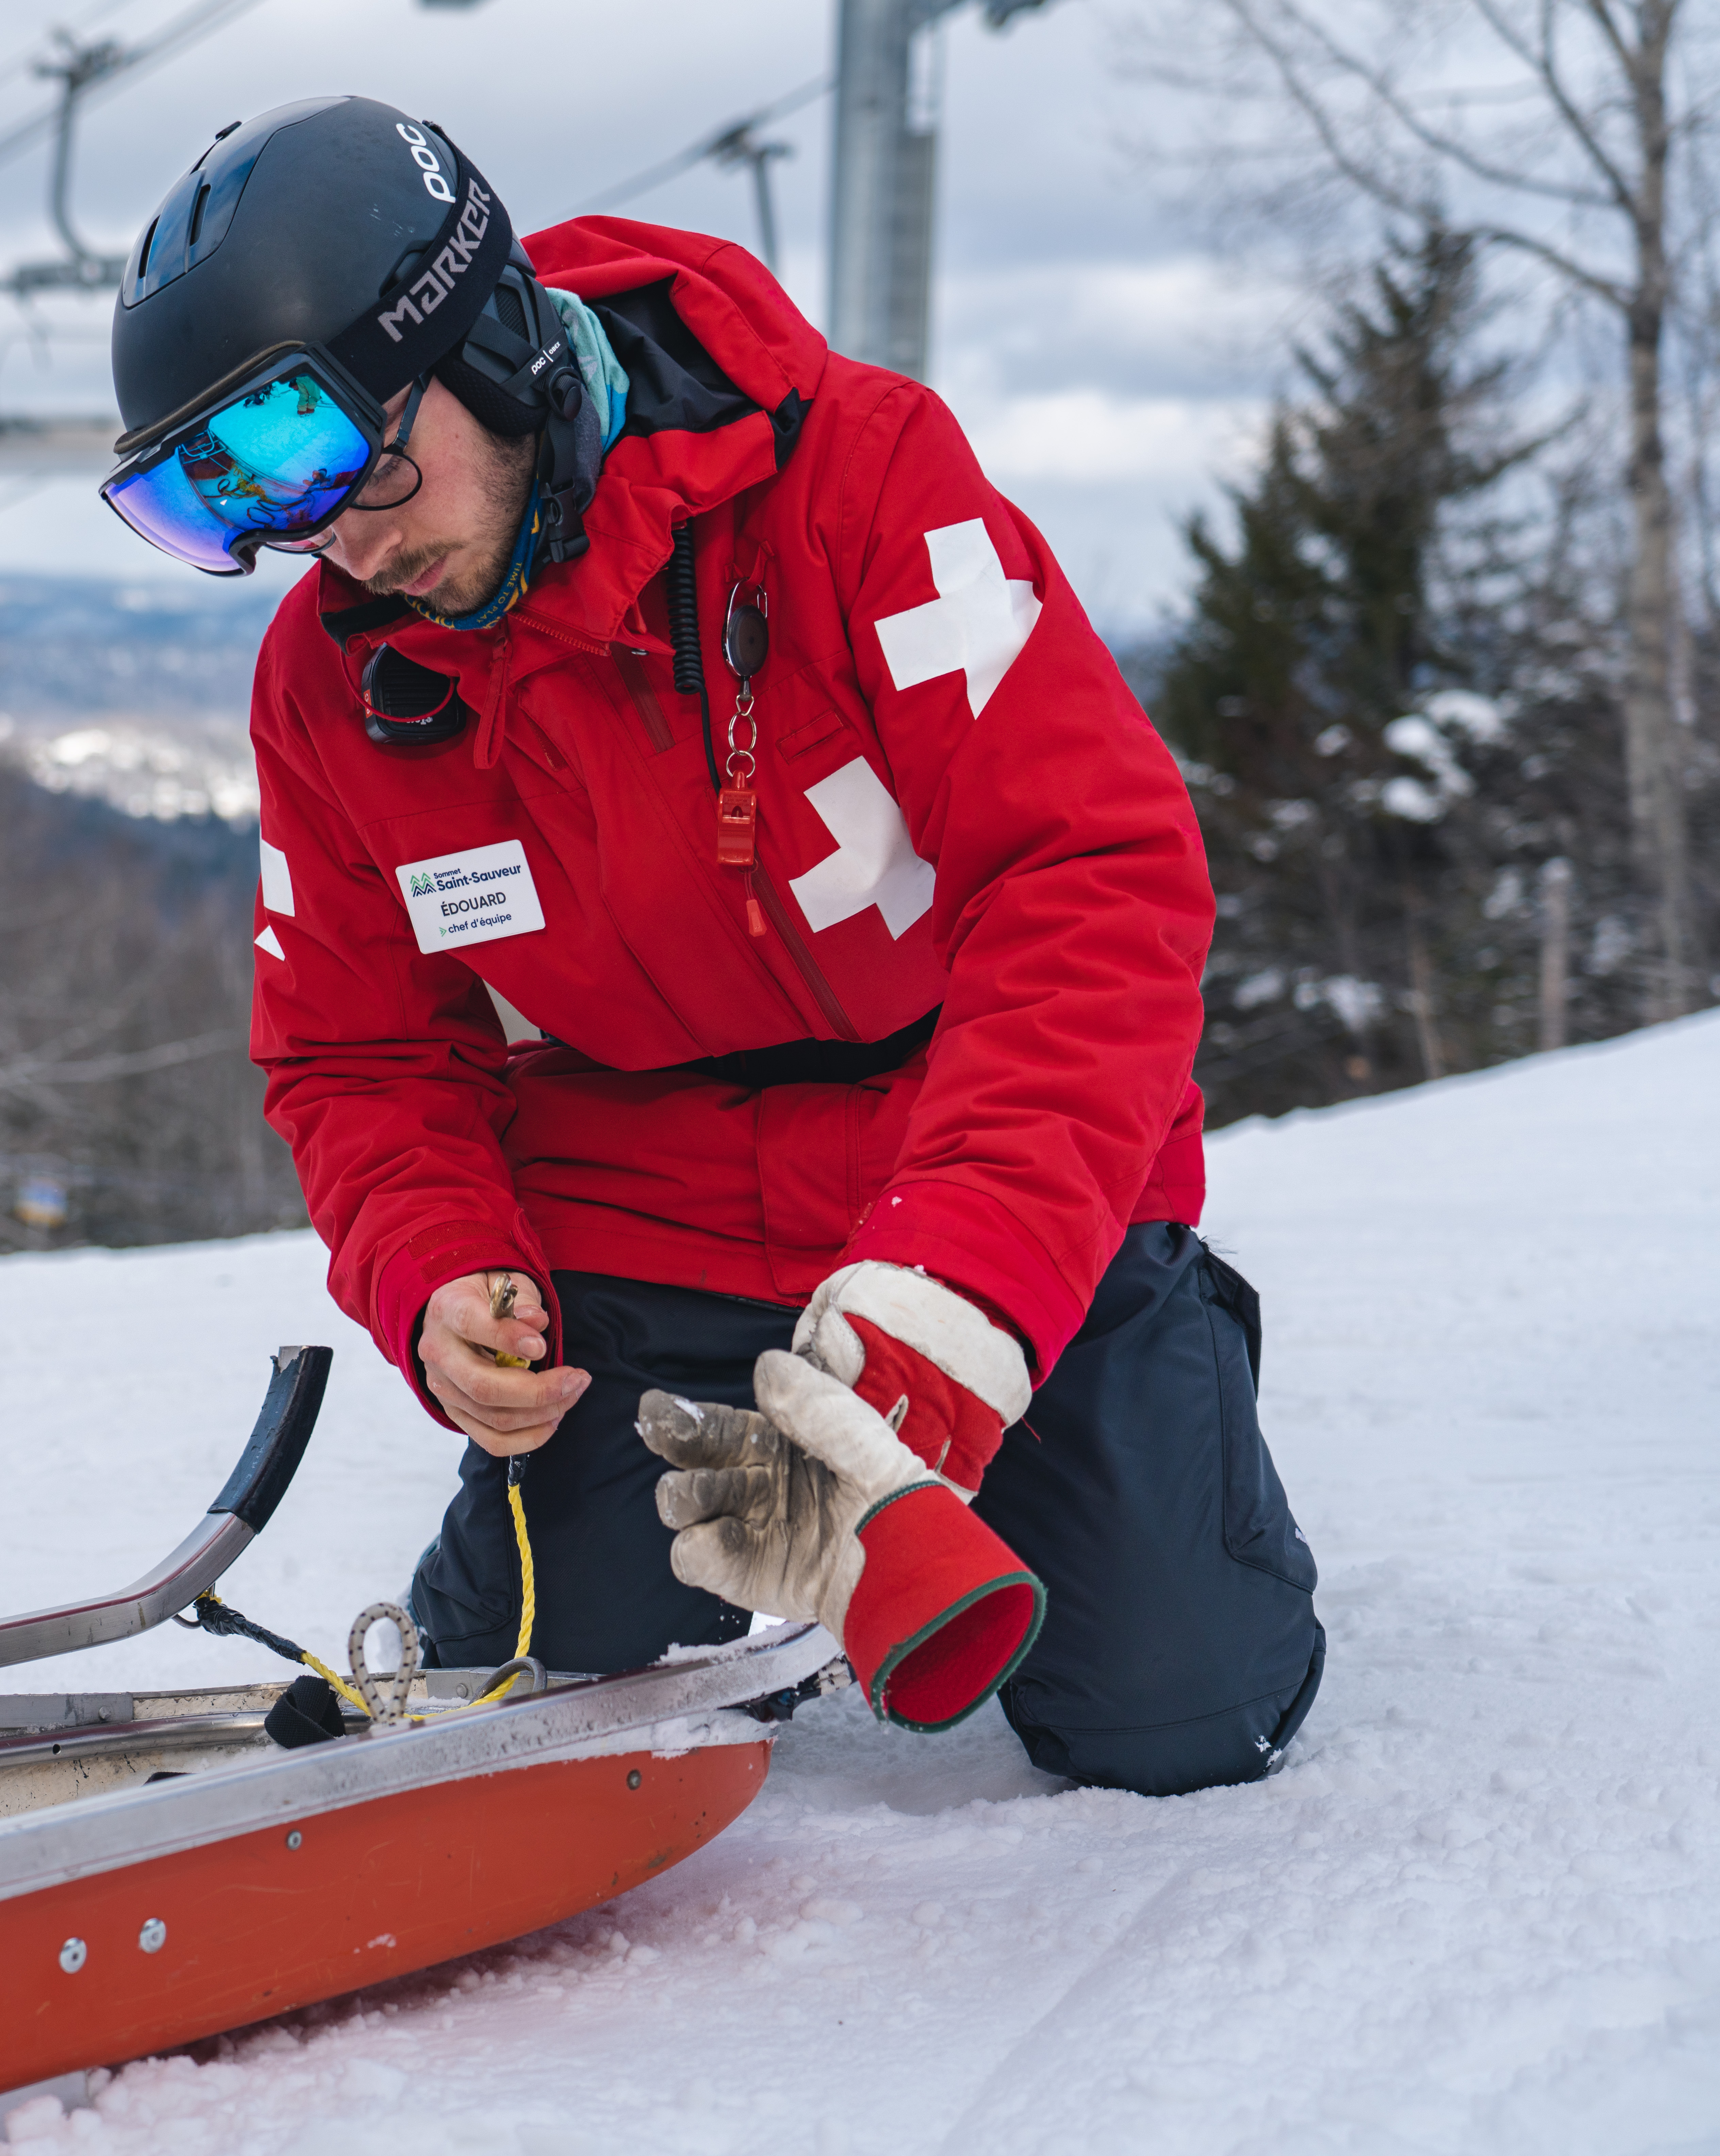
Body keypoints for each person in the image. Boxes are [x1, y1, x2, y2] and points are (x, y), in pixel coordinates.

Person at [99, 97, 1322, 1795]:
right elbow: (361, 1052)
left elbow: (1092, 883)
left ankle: (1128, 1437)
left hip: (974, 1194)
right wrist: (439, 1266)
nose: (355, 549)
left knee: (1179, 1713)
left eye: (372, 469)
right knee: (494, 1714)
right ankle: (740, 1528)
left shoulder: (857, 486)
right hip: (644, 1251)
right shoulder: (342, 681)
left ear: (494, 342)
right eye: (290, 520)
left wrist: (949, 1302)